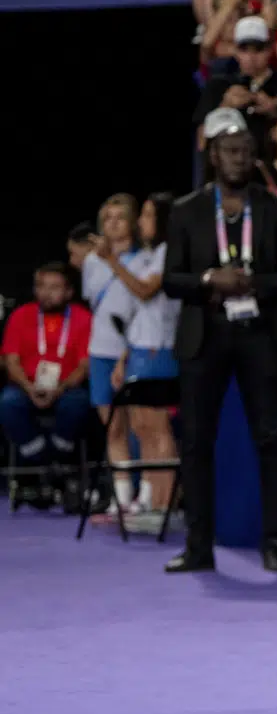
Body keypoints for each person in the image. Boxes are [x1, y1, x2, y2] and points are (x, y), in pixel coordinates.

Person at [163, 107, 277, 574]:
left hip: (259, 334)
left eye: (245, 150)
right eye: (229, 151)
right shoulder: (185, 212)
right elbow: (171, 279)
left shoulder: (275, 209)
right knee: (198, 443)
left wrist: (251, 283)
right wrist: (209, 278)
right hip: (203, 337)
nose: (239, 158)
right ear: (213, 156)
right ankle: (198, 546)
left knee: (271, 437)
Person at [110, 193, 182, 516]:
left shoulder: (170, 252)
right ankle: (153, 501)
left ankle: (165, 504)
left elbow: (145, 290)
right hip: (140, 348)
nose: (141, 222)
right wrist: (125, 356)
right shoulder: (153, 254)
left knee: (157, 428)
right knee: (141, 427)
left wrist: (112, 263)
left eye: (149, 215)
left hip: (159, 348)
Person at [82, 193, 145, 515]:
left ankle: (146, 497)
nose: (112, 224)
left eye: (119, 217)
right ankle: (121, 500)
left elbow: (142, 302)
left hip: (134, 350)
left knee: (141, 426)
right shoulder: (92, 261)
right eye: (107, 219)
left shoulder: (144, 258)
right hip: (100, 350)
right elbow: (94, 300)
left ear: (133, 222)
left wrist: (113, 262)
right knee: (113, 428)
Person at [0, 264, 92, 474]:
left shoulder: (82, 317)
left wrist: (59, 389)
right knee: (7, 403)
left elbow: (84, 366)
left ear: (69, 291)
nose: (46, 293)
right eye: (41, 287)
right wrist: (29, 387)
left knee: (78, 403)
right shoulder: (21, 315)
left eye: (54, 287)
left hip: (67, 387)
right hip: (26, 386)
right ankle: (39, 456)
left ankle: (61, 451)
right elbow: (11, 361)